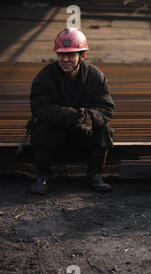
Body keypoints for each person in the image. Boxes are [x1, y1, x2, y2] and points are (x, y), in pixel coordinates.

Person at [28, 28, 115, 195]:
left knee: (104, 130)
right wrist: (70, 116)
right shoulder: (45, 76)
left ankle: (95, 174)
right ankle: (42, 175)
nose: (65, 59)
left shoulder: (96, 76)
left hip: (85, 132)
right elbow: (39, 107)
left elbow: (106, 108)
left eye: (70, 55)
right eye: (61, 55)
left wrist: (85, 118)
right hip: (56, 132)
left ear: (82, 56)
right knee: (41, 129)